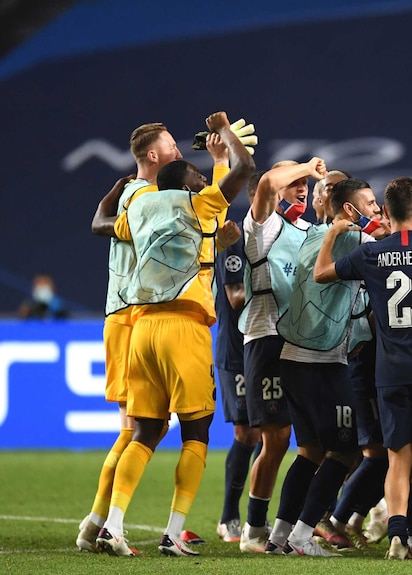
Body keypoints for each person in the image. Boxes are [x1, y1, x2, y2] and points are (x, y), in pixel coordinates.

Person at [94, 111, 255, 557]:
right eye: (199, 177)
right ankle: (173, 531)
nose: (205, 181)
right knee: (196, 432)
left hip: (142, 328)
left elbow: (107, 222)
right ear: (188, 186)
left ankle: (112, 525)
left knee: (144, 431)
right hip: (184, 328)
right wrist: (222, 130)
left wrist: (112, 192)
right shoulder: (199, 204)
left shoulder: (141, 205)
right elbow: (244, 172)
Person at [315, 176, 412, 560]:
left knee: (398, 458)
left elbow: (321, 273)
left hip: (390, 372)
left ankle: (396, 537)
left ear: (387, 212)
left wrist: (332, 234)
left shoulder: (371, 253)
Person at [76, 121, 183, 553]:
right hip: (129, 316)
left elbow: (100, 222)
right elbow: (102, 226)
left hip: (136, 316)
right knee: (137, 429)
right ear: (153, 156)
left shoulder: (134, 194)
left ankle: (97, 522)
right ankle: (99, 522)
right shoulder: (143, 198)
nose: (178, 151)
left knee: (146, 429)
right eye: (172, 146)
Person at [267, 178, 379, 557]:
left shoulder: (311, 235)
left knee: (310, 450)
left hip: (293, 360)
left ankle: (279, 536)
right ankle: (301, 537)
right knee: (345, 452)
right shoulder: (355, 240)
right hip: (322, 363)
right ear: (350, 210)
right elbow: (391, 240)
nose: (376, 209)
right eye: (370, 202)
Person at [237, 158, 326, 553]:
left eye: (304, 184)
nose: (301, 188)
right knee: (275, 439)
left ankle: (293, 526)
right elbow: (269, 182)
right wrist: (304, 165)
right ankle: (253, 529)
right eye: (296, 183)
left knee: (314, 442)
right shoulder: (263, 226)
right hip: (266, 338)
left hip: (303, 344)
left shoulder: (309, 231)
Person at [214, 172, 262, 543]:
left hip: (266, 344)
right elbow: (235, 299)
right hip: (237, 348)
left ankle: (255, 519)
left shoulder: (278, 236)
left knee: (271, 432)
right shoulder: (236, 238)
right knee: (247, 432)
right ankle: (230, 516)